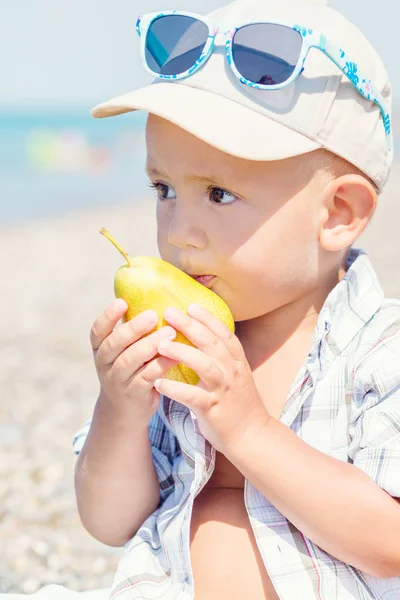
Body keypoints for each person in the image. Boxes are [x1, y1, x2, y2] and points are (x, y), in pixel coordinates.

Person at [7, 0, 399, 598]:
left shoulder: (375, 347)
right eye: (162, 188)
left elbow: (389, 542)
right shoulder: (176, 339)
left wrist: (248, 429)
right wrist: (121, 411)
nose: (178, 231)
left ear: (338, 214)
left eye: (218, 194)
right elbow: (110, 522)